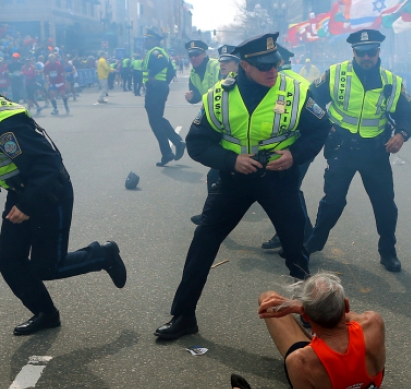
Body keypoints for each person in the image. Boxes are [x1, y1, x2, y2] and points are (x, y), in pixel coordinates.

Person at [154, 32, 331, 340]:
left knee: (295, 251)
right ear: (244, 66)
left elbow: (320, 128)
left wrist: (295, 155)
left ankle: (309, 314)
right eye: (264, 66)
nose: (272, 70)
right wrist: (230, 160)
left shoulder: (295, 90)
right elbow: (197, 144)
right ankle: (183, 316)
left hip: (279, 180)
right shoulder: (219, 95)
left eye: (275, 63)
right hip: (234, 181)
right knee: (203, 244)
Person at [0, 55, 127, 336]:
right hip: (22, 190)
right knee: (10, 262)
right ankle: (46, 314)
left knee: (47, 267)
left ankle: (102, 255)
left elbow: (48, 165)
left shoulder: (2, 123)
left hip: (49, 193)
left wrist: (27, 203)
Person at [304, 29, 411, 273]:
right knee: (333, 201)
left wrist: (401, 134)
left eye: (371, 52)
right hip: (342, 148)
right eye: (361, 52)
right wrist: (324, 124)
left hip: (375, 151)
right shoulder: (335, 73)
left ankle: (388, 251)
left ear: (378, 52)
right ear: (353, 52)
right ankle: (313, 243)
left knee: (385, 204)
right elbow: (310, 99)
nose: (366, 57)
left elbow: (409, 114)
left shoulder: (392, 81)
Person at [257, 272, 385, 389]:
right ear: (346, 305)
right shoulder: (373, 324)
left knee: (267, 297)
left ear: (305, 317)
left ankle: (319, 345)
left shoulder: (300, 361)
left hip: (316, 361)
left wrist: (301, 307)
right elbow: (350, 316)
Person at [261, 44, 315, 251]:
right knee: (287, 190)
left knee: (287, 191)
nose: (267, 69)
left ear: (279, 63)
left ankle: (300, 236)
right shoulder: (298, 80)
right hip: (295, 147)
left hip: (294, 148)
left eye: (269, 64)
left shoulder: (289, 83)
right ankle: (295, 233)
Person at [188, 44, 240, 225]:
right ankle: (211, 216)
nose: (223, 64)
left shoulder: (241, 84)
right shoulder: (223, 85)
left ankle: (301, 233)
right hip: (231, 144)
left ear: (238, 63)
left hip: (249, 146)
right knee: (215, 177)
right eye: (222, 61)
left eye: (228, 61)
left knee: (276, 197)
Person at [142, 30, 185, 167]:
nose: (145, 41)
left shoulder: (156, 52)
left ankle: (168, 151)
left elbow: (163, 63)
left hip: (155, 89)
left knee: (155, 121)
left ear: (155, 40)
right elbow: (171, 70)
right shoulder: (159, 51)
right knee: (158, 120)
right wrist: (162, 83)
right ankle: (175, 144)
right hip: (157, 88)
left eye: (148, 39)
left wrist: (153, 79)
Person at [185, 40, 221, 104]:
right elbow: (197, 96)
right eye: (190, 55)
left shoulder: (217, 66)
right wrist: (191, 98)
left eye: (196, 54)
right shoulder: (193, 73)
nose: (193, 58)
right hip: (210, 107)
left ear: (204, 54)